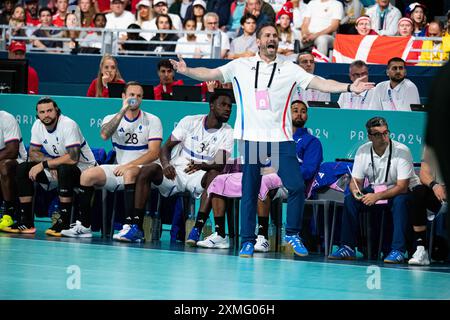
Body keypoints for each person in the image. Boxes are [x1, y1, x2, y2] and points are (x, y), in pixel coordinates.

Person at [169, 23, 374, 258]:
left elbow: (320, 82)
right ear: (258, 41)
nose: (271, 39)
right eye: (266, 35)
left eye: (275, 36)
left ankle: (292, 233)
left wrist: (350, 87)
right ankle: (247, 240)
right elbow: (211, 73)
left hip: (280, 140)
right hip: (253, 139)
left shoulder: (290, 69)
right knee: (250, 190)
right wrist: (187, 70)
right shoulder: (241, 65)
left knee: (296, 186)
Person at [199, 100, 323, 251]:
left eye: (303, 111)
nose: (299, 114)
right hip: (264, 173)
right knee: (220, 180)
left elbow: (308, 170)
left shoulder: (312, 141)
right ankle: (220, 234)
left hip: (285, 181)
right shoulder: (271, 137)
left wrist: (279, 170)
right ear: (285, 115)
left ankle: (262, 237)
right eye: (295, 110)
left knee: (263, 182)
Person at [132, 91, 234, 244]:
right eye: (223, 105)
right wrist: (166, 165)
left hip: (200, 175)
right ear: (211, 106)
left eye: (230, 106)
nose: (227, 109)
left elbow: (219, 163)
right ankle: (136, 227)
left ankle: (196, 230)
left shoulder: (228, 132)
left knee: (215, 176)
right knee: (147, 170)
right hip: (176, 172)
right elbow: (165, 148)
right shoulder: (190, 121)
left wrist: (201, 165)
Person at [67, 81, 163, 239]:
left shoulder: (152, 120)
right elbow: (104, 135)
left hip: (142, 169)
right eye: (131, 95)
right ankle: (84, 226)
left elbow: (153, 153)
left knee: (130, 173)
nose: (135, 99)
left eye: (139, 96)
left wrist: (128, 165)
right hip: (119, 167)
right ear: (123, 96)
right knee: (87, 176)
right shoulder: (111, 118)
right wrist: (123, 110)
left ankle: (129, 226)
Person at [329, 117, 420, 263]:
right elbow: (355, 181)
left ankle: (398, 250)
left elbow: (402, 187)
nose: (383, 137)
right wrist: (356, 192)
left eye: (386, 133)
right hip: (378, 191)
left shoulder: (402, 151)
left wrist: (376, 196)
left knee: (400, 201)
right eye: (378, 134)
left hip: (404, 192)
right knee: (350, 200)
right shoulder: (363, 151)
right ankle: (347, 247)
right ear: (369, 137)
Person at [2, 97, 96, 235]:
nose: (46, 115)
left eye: (49, 110)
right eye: (42, 112)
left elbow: (73, 157)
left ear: (56, 110)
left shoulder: (68, 124)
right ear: (37, 114)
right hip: (57, 167)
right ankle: (26, 220)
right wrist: (50, 164)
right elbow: (33, 153)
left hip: (84, 171)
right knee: (23, 169)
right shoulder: (37, 125)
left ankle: (63, 221)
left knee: (64, 169)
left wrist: (46, 164)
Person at [409, 146, 447, 265]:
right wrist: (435, 186)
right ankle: (421, 249)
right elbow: (424, 173)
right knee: (418, 191)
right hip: (439, 193)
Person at [0, 111, 28, 231]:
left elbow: (12, 151)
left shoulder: (6, 118)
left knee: (3, 167)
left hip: (18, 161)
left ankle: (8, 214)